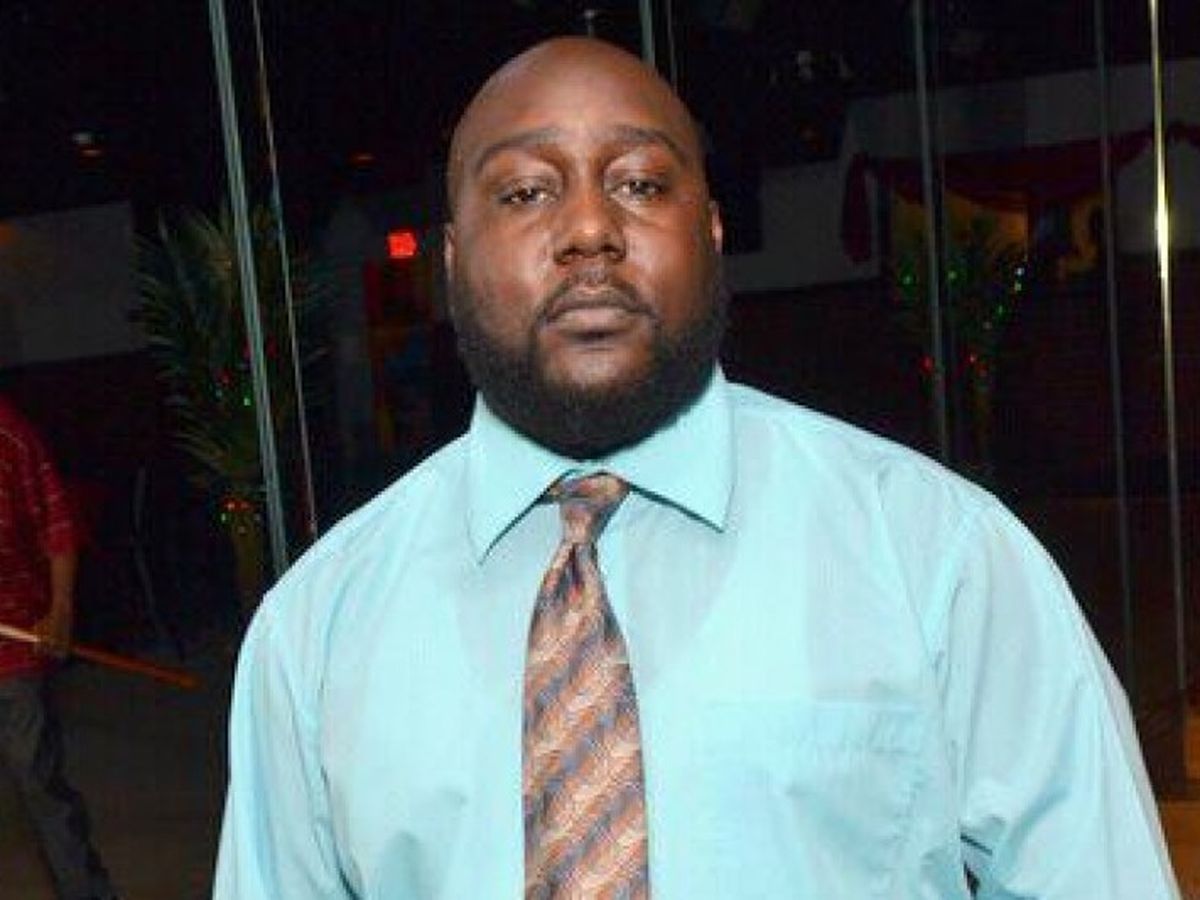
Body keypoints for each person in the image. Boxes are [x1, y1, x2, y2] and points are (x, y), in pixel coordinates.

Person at [214, 36, 1180, 899]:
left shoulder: (939, 558)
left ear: (712, 233)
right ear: (453, 259)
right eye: (526, 192)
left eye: (639, 183)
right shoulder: (317, 632)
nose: (588, 229)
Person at [0, 395, 118, 900]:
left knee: (35, 777)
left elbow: (57, 522)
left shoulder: (8, 432)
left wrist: (62, 609)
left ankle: (86, 893)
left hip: (14, 637)